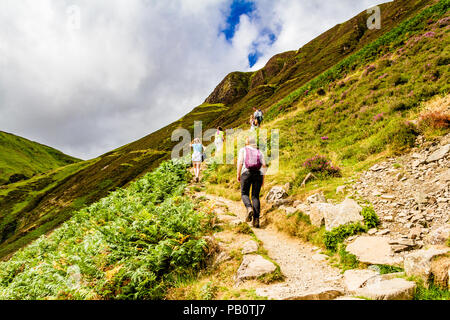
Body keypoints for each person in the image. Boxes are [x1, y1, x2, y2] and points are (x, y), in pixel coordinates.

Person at [237, 136, 267, 228]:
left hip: (246, 173)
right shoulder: (259, 152)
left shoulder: (243, 150)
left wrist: (238, 174)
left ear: (247, 142)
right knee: (255, 196)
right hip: (258, 174)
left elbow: (240, 163)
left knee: (244, 193)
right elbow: (264, 165)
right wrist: (263, 179)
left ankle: (249, 208)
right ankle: (256, 221)